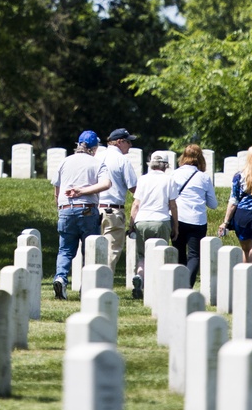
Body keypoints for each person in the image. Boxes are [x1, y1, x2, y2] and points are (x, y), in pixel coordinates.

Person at [50, 131, 111, 300]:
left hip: (65, 208)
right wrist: (83, 191)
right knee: (89, 249)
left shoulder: (64, 161)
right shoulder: (97, 163)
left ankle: (60, 278)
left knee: (65, 250)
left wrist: (60, 206)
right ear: (94, 148)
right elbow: (106, 183)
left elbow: (56, 189)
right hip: (87, 209)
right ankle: (87, 286)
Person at [128, 150, 178, 300]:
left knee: (142, 255)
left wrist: (131, 225)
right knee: (159, 255)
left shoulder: (143, 179)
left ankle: (140, 278)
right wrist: (176, 226)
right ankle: (155, 286)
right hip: (160, 221)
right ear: (166, 165)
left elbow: (136, 204)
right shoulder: (169, 180)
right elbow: (173, 205)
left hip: (142, 221)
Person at [173, 143, 217, 282]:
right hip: (197, 220)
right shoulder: (204, 178)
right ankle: (187, 285)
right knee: (194, 255)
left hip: (178, 219)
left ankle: (179, 283)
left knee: (179, 252)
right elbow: (213, 204)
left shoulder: (175, 174)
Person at [97, 128, 139, 272]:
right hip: (113, 210)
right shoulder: (122, 160)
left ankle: (89, 282)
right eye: (128, 142)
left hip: (93, 208)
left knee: (92, 249)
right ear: (120, 142)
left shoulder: (96, 156)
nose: (131, 146)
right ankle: (103, 282)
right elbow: (134, 188)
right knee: (112, 250)